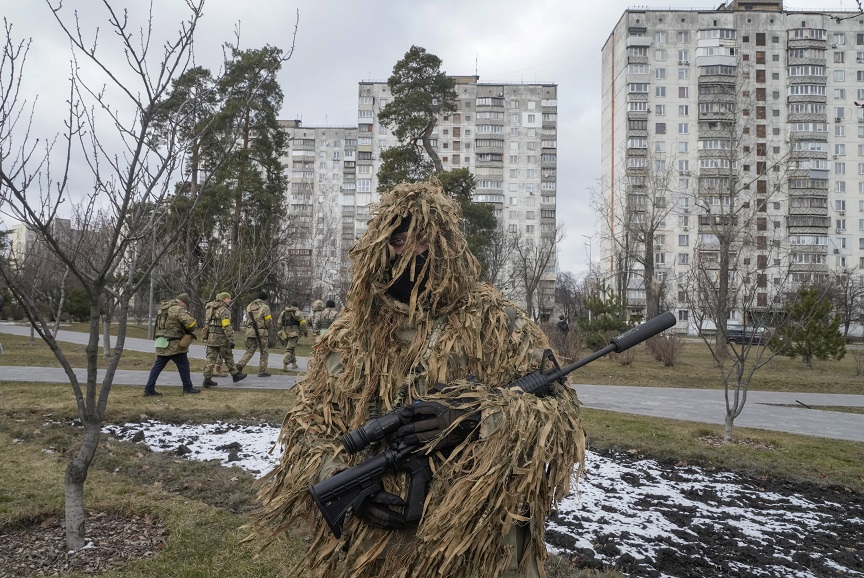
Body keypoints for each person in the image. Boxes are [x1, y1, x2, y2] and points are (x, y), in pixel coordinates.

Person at [251, 182, 585, 578]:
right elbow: (307, 424)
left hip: (475, 547)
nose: (410, 251)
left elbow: (560, 414)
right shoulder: (351, 331)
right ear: (379, 244)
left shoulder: (495, 320)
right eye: (397, 239)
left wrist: (482, 416)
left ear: (446, 244)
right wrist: (339, 478)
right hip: (375, 549)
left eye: (422, 239)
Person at [144, 293, 200, 396]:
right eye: (186, 305)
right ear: (183, 302)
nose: (185, 306)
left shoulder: (163, 309)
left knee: (157, 366)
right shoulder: (178, 309)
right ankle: (188, 387)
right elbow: (191, 324)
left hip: (161, 342)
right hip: (174, 344)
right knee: (184, 365)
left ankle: (149, 389)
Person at [201, 292, 247, 387]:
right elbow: (226, 326)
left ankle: (207, 379)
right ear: (223, 299)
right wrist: (230, 339)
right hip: (221, 338)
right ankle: (235, 375)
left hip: (211, 337)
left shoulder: (210, 309)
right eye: (228, 298)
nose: (230, 300)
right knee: (228, 356)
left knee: (210, 359)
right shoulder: (224, 310)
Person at [237, 291, 272, 377]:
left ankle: (240, 364)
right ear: (265, 299)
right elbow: (268, 321)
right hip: (261, 332)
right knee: (264, 352)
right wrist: (267, 328)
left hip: (250, 331)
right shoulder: (265, 307)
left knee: (250, 351)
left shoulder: (249, 306)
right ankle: (262, 371)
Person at [277, 302, 307, 371]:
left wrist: (281, 331)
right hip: (294, 334)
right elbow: (303, 324)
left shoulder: (283, 312)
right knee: (290, 349)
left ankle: (294, 364)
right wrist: (305, 332)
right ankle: (285, 364)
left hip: (285, 334)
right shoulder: (298, 313)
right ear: (297, 306)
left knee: (291, 347)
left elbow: (279, 323)